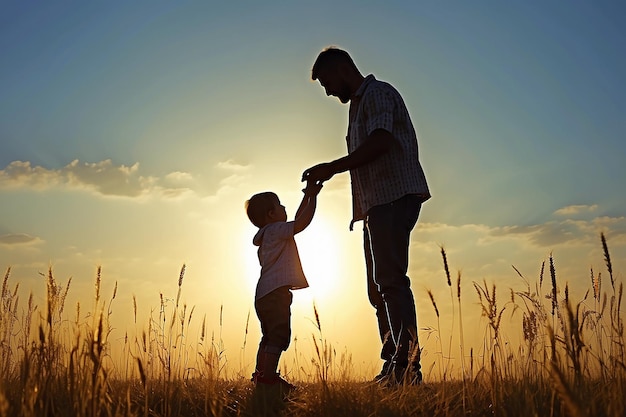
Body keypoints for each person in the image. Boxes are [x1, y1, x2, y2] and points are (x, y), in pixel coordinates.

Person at [302, 47, 430, 385]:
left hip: (393, 198)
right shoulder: (360, 106)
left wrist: (332, 168)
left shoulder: (378, 94)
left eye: (328, 83)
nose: (329, 92)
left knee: (391, 282)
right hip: (375, 205)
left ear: (342, 70)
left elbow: (381, 143)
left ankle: (407, 369)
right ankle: (393, 365)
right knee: (379, 290)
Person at [245, 180, 323, 395]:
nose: (284, 208)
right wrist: (314, 198)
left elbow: (296, 219)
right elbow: (300, 223)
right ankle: (268, 379)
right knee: (279, 336)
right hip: (277, 292)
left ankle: (261, 374)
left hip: (263, 294)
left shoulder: (266, 235)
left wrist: (307, 195)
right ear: (271, 214)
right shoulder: (277, 230)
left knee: (268, 336)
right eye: (280, 205)